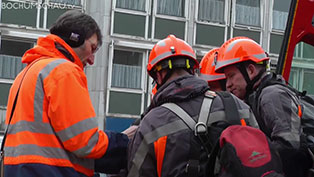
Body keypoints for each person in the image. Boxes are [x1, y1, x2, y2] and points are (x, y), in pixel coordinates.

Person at [4, 10, 129, 177]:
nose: (92, 60)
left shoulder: (29, 72)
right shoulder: (64, 71)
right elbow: (85, 141)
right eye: (92, 48)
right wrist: (125, 144)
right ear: (74, 38)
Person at [127, 35, 258, 177]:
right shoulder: (236, 105)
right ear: (192, 70)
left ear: (158, 75)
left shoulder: (151, 123)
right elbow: (260, 159)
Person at [215, 36, 312, 177]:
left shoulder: (271, 96)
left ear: (251, 70)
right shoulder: (256, 97)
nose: (228, 84)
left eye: (231, 76)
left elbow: (290, 146)